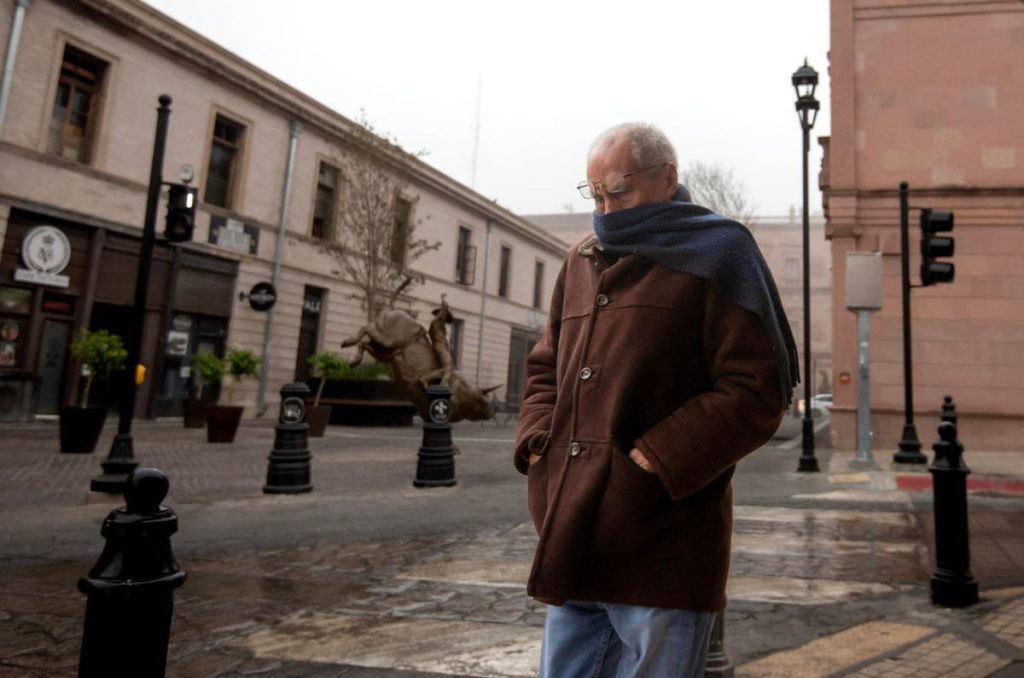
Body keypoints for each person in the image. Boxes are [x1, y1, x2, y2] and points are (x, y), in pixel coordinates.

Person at [514, 122, 797, 677]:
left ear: (667, 178)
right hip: (570, 531)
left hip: (662, 538)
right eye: (594, 194)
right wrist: (537, 441)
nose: (606, 207)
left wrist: (660, 457)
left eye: (618, 190)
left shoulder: (720, 252)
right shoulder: (581, 259)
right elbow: (546, 363)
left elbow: (756, 386)